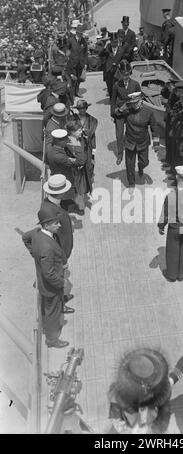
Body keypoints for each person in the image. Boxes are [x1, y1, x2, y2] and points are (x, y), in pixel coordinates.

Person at [22, 208, 73, 349]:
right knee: (52, 313)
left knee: (54, 307)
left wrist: (34, 253)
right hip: (51, 287)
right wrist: (61, 282)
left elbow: (25, 238)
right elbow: (49, 274)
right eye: (56, 223)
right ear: (46, 226)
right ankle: (52, 340)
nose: (59, 225)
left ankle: (61, 303)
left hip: (51, 281)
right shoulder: (46, 247)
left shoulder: (36, 233)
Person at [108, 348, 171, 434]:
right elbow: (115, 417)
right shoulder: (117, 398)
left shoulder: (161, 400)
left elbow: (164, 417)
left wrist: (154, 429)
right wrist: (127, 430)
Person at [158, 165, 183, 282]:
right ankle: (181, 275)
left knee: (172, 251)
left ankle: (171, 275)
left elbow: (165, 213)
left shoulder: (171, 196)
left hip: (175, 228)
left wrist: (161, 226)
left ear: (177, 177)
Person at [123, 92, 159, 192]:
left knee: (144, 161)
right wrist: (122, 107)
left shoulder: (149, 112)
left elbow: (154, 128)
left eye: (136, 103)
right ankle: (131, 184)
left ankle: (140, 167)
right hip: (130, 141)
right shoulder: (127, 110)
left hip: (142, 142)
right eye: (132, 103)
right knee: (129, 165)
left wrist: (156, 144)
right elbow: (115, 115)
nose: (134, 105)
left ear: (141, 101)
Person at [110, 60, 141, 165]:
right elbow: (113, 100)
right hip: (119, 113)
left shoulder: (136, 84)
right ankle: (119, 155)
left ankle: (131, 153)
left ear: (130, 73)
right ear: (120, 73)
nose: (125, 77)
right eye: (123, 74)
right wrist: (112, 113)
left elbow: (139, 100)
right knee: (119, 135)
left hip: (131, 113)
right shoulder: (116, 85)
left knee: (131, 134)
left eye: (127, 74)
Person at [73, 98, 98, 182]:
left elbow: (92, 134)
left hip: (89, 145)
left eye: (83, 108)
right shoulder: (73, 119)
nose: (82, 110)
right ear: (77, 109)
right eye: (80, 109)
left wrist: (94, 147)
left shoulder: (92, 120)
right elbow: (70, 131)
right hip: (77, 145)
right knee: (78, 162)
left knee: (90, 162)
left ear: (86, 108)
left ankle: (90, 176)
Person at [66, 24, 88, 97]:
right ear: (76, 33)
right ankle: (72, 93)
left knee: (78, 79)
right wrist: (68, 59)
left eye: (81, 33)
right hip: (72, 63)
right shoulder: (71, 40)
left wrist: (85, 63)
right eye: (79, 33)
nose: (80, 34)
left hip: (80, 63)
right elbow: (67, 50)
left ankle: (77, 91)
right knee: (72, 79)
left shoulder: (84, 41)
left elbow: (85, 52)